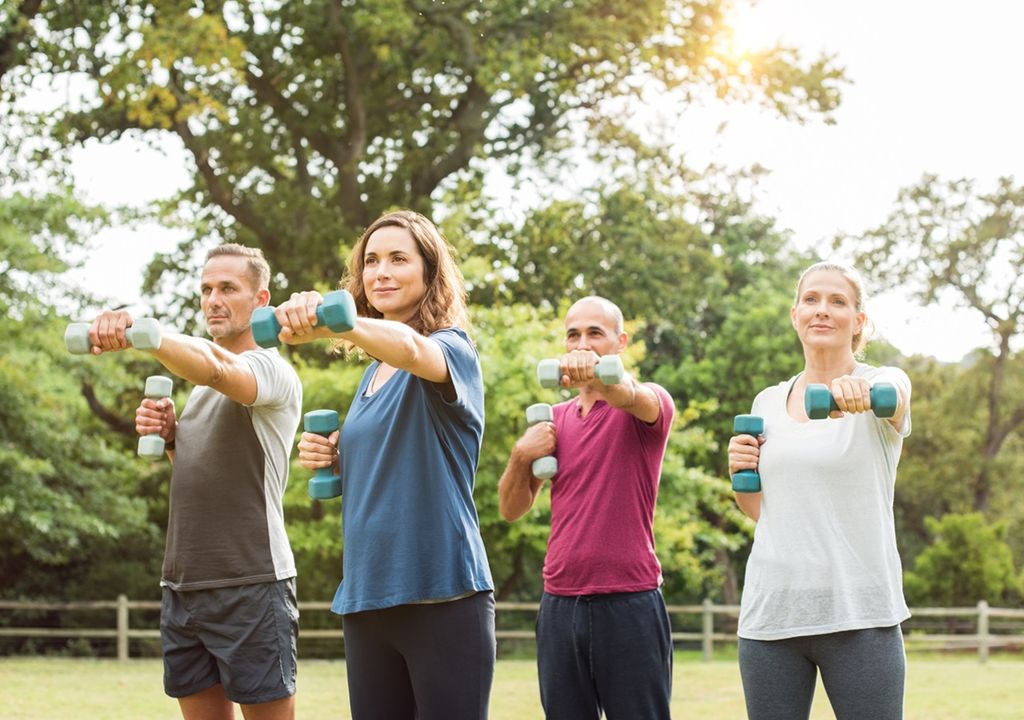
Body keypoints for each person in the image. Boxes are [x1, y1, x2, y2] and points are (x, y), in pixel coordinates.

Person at [276, 210, 495, 720]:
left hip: (443, 593)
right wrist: (335, 457)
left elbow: (412, 347)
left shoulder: (450, 349)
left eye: (399, 258)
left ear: (429, 273)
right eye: (371, 261)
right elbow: (397, 468)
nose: (381, 271)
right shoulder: (372, 375)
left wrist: (344, 321)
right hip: (368, 598)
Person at [85, 244, 302, 720]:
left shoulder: (271, 371)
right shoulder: (200, 388)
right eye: (206, 289)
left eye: (228, 288)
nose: (213, 300)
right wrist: (170, 441)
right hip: (183, 585)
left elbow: (221, 366)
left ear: (260, 300)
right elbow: (205, 471)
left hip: (252, 581)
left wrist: (149, 334)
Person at [728, 261, 912, 720]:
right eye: (811, 300)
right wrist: (739, 472)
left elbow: (897, 397)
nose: (822, 311)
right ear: (795, 315)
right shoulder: (766, 403)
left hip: (859, 613)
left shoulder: (881, 383)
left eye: (838, 302)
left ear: (858, 321)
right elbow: (762, 511)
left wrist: (861, 393)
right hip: (772, 613)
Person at [498, 296, 676, 720]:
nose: (582, 343)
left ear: (620, 342)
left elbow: (628, 394)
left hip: (630, 601)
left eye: (595, 333)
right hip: (559, 603)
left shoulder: (648, 404)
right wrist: (521, 455)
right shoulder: (553, 419)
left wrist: (600, 375)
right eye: (573, 335)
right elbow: (511, 509)